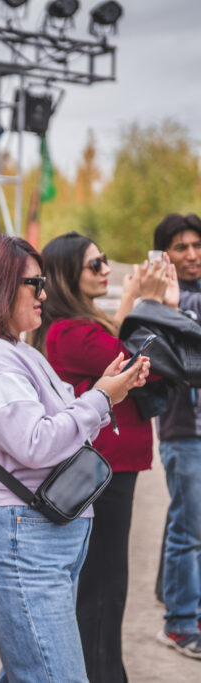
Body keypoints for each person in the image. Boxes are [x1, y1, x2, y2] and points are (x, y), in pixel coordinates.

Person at [0, 234, 149, 682]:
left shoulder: (11, 351)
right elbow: (34, 443)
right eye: (33, 284)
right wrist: (100, 397)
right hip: (24, 538)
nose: (44, 293)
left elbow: (55, 431)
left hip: (38, 536)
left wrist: (106, 391)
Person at [27, 232, 171, 680]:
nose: (107, 269)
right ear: (69, 275)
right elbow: (141, 364)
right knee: (104, 587)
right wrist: (147, 303)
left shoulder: (80, 326)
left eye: (106, 260)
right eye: (95, 264)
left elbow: (121, 349)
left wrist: (131, 303)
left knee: (105, 584)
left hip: (108, 467)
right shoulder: (72, 331)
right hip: (103, 470)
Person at [153, 212, 201, 658]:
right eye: (181, 247)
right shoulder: (162, 303)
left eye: (197, 245)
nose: (192, 254)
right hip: (183, 430)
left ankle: (191, 610)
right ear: (164, 254)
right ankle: (179, 623)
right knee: (189, 530)